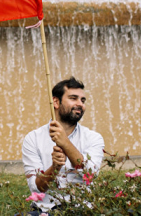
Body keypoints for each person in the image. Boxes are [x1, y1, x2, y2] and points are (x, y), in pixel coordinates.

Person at [21, 77, 105, 214]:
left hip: (81, 209)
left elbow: (90, 174)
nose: (80, 104)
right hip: (44, 210)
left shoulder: (93, 138)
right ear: (56, 102)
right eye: (73, 98)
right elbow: (37, 188)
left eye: (83, 100)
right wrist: (55, 167)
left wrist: (65, 143)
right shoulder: (33, 138)